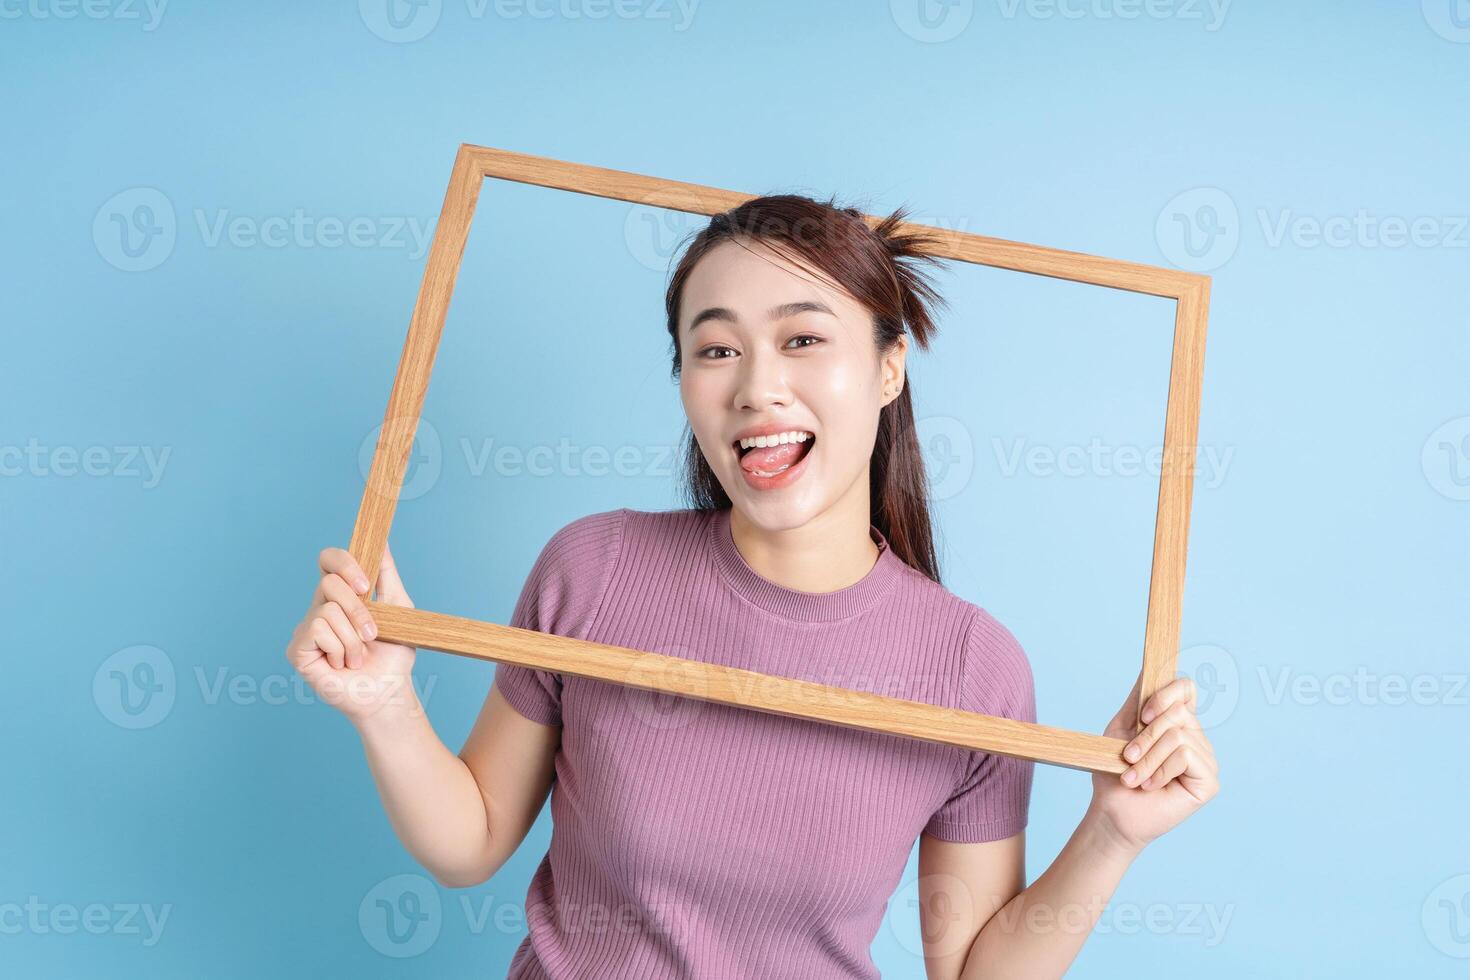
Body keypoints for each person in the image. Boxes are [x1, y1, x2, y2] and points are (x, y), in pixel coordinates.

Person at [285, 195, 1220, 979]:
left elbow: (971, 970)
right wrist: (385, 703)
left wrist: (1113, 833)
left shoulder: (973, 665)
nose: (757, 389)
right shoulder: (595, 568)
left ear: (889, 369)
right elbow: (472, 840)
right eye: (717, 349)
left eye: (804, 339)